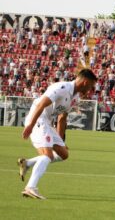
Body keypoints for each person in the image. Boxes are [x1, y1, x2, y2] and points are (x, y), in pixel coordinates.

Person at [18, 69, 98, 199]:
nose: (91, 90)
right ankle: (30, 187)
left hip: (47, 122)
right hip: (38, 119)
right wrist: (30, 126)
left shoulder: (75, 97)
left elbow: (62, 118)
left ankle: (27, 163)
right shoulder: (62, 87)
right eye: (91, 86)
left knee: (63, 154)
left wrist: (60, 141)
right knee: (47, 156)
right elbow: (41, 104)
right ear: (85, 82)